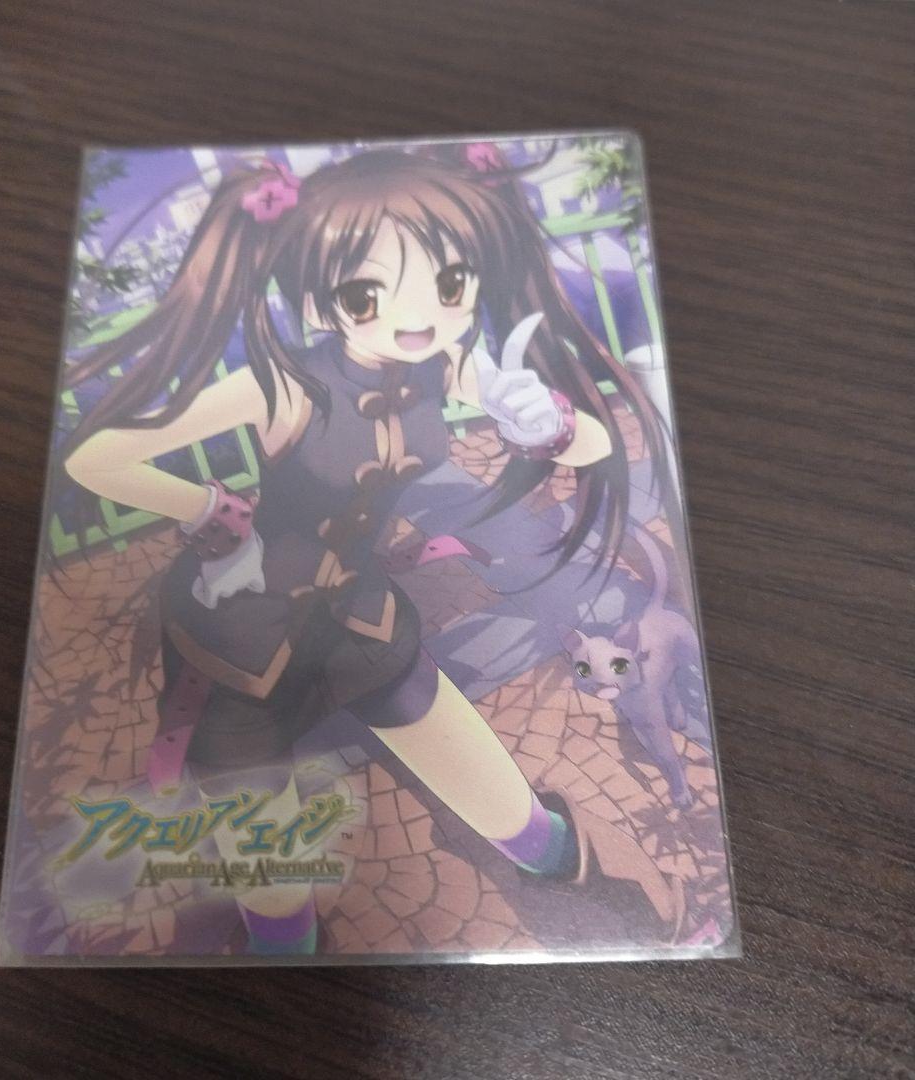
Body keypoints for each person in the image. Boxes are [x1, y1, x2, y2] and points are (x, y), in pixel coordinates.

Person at [63, 145, 679, 954]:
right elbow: (95, 458)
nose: (418, 316)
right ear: (322, 298)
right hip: (237, 640)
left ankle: (561, 863)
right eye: (367, 294)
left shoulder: (447, 367)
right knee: (275, 888)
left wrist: (550, 423)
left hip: (359, 618)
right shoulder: (283, 384)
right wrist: (209, 509)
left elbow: (593, 446)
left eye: (450, 285)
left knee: (506, 803)